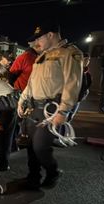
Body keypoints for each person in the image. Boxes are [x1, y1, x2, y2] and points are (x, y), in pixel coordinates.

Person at [17, 21, 83, 189]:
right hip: (34, 108)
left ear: (50, 35)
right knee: (31, 146)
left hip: (51, 109)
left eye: (39, 37)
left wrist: (64, 110)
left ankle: (53, 172)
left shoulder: (70, 53)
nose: (36, 42)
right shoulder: (42, 56)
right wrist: (22, 99)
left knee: (40, 146)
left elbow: (72, 83)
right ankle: (33, 177)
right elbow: (32, 83)